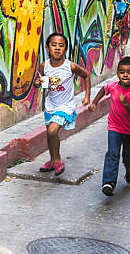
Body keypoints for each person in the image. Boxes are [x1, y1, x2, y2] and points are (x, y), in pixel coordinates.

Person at [33, 32, 91, 176]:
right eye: (54, 45)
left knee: (52, 131)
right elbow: (37, 83)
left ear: (65, 49)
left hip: (65, 107)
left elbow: (86, 76)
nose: (57, 48)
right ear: (47, 48)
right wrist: (37, 83)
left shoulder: (70, 66)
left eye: (61, 45)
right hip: (50, 105)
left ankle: (58, 160)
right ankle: (53, 161)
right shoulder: (44, 66)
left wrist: (87, 96)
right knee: (49, 134)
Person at [89, 56, 130, 196]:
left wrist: (126, 104)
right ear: (117, 73)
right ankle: (108, 183)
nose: (125, 75)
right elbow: (103, 89)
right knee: (112, 154)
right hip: (114, 128)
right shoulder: (113, 86)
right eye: (122, 72)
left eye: (129, 72)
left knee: (128, 156)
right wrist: (95, 102)